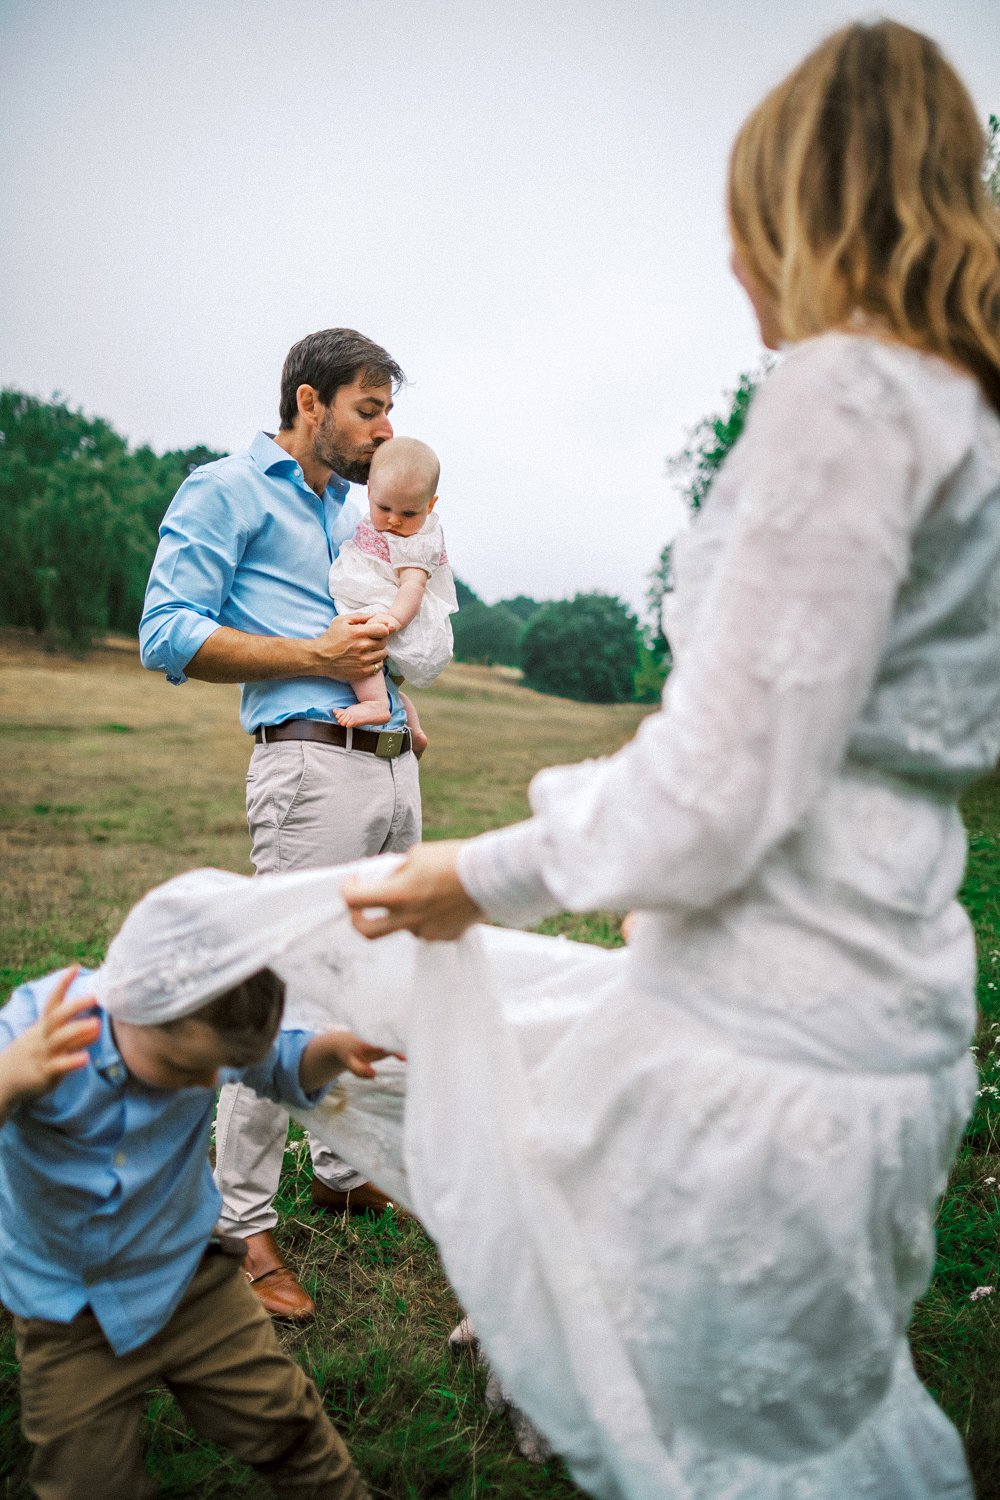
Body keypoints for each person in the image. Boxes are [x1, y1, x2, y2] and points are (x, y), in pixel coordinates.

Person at [333, 21, 1000, 1498]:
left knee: (733, 1458)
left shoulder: (854, 397)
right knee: (814, 1429)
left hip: (771, 1051)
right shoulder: (977, 424)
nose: (731, 263)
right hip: (895, 1023)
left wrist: (480, 873)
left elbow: (716, 787)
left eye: (743, 222)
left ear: (803, 211)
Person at [139, 328, 419, 1322]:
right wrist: (310, 652)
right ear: (309, 402)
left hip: (390, 768)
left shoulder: (362, 510)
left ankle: (344, 1168)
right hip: (306, 764)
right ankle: (240, 1226)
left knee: (383, 973)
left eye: (388, 409)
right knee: (279, 993)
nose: (386, 429)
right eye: (369, 408)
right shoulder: (225, 489)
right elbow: (165, 631)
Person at [0, 867, 396, 1500]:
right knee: (85, 1481)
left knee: (284, 1419)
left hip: (192, 1280)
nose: (206, 1083)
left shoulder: (206, 1034)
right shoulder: (36, 1030)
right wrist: (10, 1080)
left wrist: (332, 1049)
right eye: (188, 1069)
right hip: (70, 1311)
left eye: (219, 1070)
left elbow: (281, 1064)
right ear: (135, 1005)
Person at [328, 436, 457, 735]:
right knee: (378, 669)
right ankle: (402, 711)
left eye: (409, 513)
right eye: (383, 507)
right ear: (370, 491)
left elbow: (412, 585)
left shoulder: (417, 541)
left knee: (358, 639)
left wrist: (392, 619)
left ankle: (376, 704)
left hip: (392, 610)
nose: (394, 521)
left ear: (430, 505)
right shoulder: (378, 520)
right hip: (377, 600)